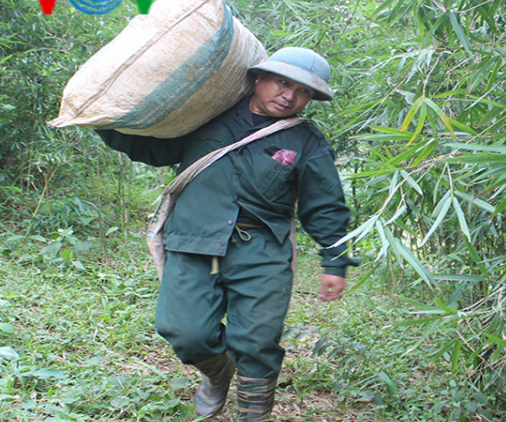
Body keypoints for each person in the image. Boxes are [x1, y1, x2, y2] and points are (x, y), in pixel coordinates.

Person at [95, 47, 358, 421]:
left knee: (257, 340)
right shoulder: (206, 117)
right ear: (258, 78)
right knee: (184, 331)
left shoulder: (307, 143)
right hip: (193, 238)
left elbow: (325, 207)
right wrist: (101, 118)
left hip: (263, 250)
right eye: (283, 83)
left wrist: (336, 262)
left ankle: (252, 414)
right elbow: (151, 146)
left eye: (302, 91)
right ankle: (218, 371)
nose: (289, 95)